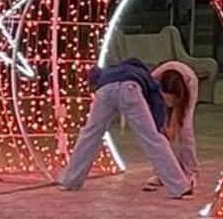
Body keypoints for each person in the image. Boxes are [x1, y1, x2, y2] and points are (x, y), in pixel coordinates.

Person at [58, 57, 193, 198]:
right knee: (152, 140)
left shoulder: (112, 69)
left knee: (90, 135)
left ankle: (70, 180)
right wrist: (159, 126)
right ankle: (180, 187)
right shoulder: (144, 76)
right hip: (130, 89)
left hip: (104, 90)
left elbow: (94, 75)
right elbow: (156, 102)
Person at [143, 61, 198, 192]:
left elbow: (185, 129)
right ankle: (162, 172)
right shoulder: (152, 81)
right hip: (158, 95)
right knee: (158, 133)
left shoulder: (189, 87)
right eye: (166, 100)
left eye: (172, 101)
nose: (169, 104)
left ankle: (190, 172)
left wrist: (191, 172)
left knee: (185, 130)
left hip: (188, 85)